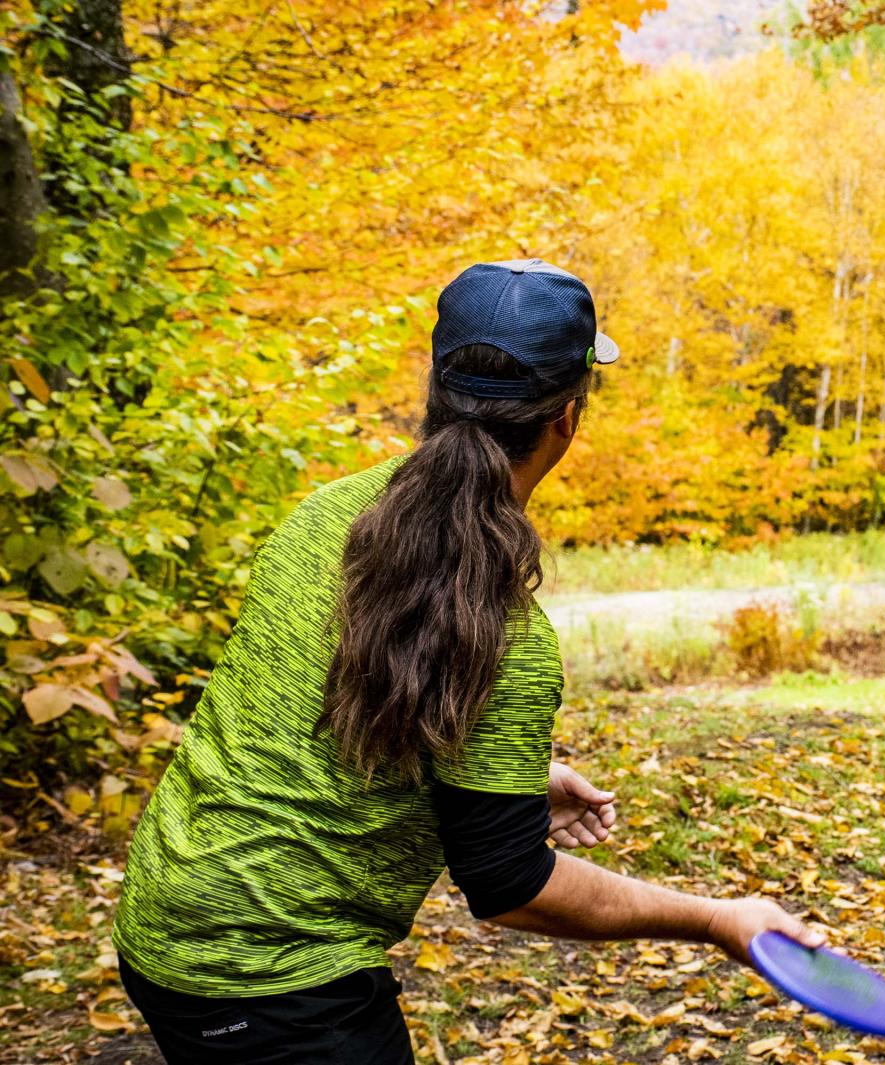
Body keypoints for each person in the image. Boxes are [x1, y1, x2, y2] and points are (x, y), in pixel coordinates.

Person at [113, 259, 822, 1064]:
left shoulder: (324, 512)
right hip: (273, 980)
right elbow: (513, 886)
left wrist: (498, 784)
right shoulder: (509, 637)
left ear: (436, 389)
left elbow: (307, 722)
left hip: (161, 913)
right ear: (569, 418)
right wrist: (716, 917)